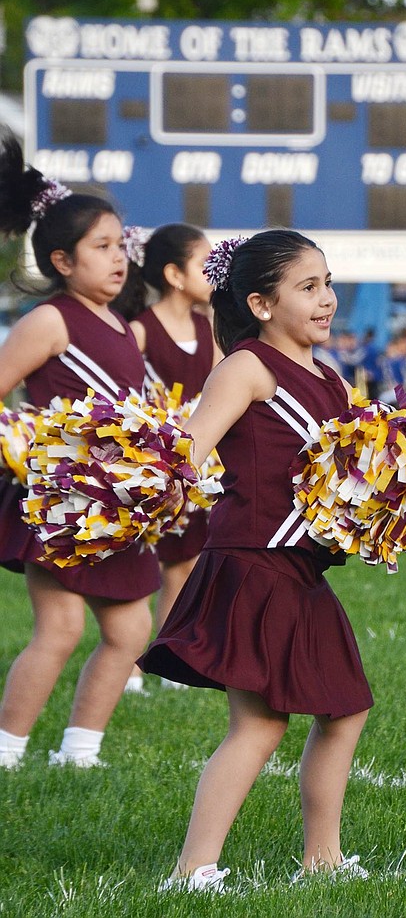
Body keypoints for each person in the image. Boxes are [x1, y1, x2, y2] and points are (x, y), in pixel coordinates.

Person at [139, 229, 373, 891]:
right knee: (261, 723)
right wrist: (139, 478)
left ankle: (321, 859)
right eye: (308, 287)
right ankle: (192, 869)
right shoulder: (246, 366)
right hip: (251, 564)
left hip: (300, 569)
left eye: (327, 282)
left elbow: (341, 480)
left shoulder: (332, 378)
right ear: (261, 304)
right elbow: (189, 449)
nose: (327, 298)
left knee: (345, 704)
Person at [0, 132, 159, 769]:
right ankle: (7, 753)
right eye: (102, 248)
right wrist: (31, 453)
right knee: (61, 629)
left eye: (121, 245)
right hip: (63, 503)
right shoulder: (51, 319)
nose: (119, 258)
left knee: (130, 631)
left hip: (116, 503)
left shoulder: (123, 322)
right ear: (63, 262)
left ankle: (78, 753)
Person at [114, 224, 221, 693]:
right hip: (149, 464)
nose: (215, 273)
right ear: (175, 274)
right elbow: (117, 396)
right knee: (144, 564)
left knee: (188, 562)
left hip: (194, 465)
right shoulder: (140, 329)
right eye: (205, 264)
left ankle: (171, 653)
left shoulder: (206, 328)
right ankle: (129, 661)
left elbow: (221, 385)